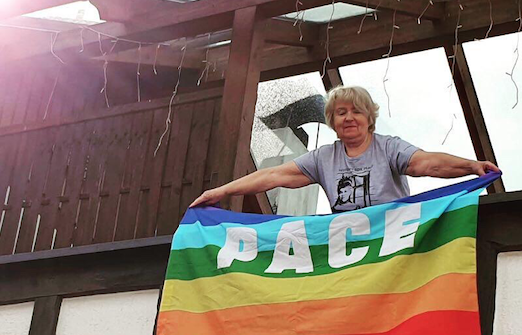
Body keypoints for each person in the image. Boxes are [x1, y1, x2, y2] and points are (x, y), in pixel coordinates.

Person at [190, 85, 500, 213]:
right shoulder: (324, 158)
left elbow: (427, 164)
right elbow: (272, 176)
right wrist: (221, 192)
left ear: (369, 118)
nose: (349, 117)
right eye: (341, 112)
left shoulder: (389, 148)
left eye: (356, 111)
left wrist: (471, 166)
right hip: (348, 250)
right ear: (332, 121)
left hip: (392, 242)